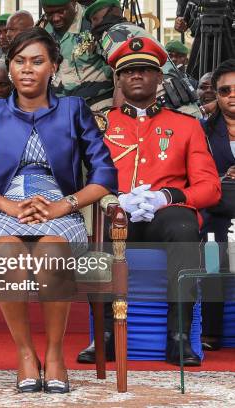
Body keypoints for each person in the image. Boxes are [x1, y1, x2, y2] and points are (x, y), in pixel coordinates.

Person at [0, 28, 117, 394]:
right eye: (19, 61)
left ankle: (55, 354)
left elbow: (105, 173)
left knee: (52, 249)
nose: (27, 69)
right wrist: (7, 204)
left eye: (37, 61)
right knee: (6, 250)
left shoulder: (73, 110)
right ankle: (25, 353)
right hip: (3, 208)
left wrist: (64, 204)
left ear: (53, 67)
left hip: (60, 209)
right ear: (9, 68)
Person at [77, 36, 221, 367]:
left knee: (184, 225)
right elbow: (78, 180)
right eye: (129, 71)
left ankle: (179, 337)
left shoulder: (186, 126)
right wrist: (113, 200)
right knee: (98, 226)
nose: (137, 76)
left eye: (145, 70)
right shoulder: (101, 125)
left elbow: (210, 188)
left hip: (165, 215)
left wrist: (167, 196)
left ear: (159, 78)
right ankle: (105, 336)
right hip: (117, 213)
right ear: (118, 79)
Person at [85, 0, 202, 118]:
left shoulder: (115, 33)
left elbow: (125, 77)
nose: (93, 26)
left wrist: (117, 120)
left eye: (95, 19)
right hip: (180, 102)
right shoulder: (132, 29)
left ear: (113, 12)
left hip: (166, 105)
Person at [199, 59, 235, 351]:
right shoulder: (203, 130)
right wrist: (222, 176)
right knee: (212, 254)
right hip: (218, 209)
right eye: (225, 90)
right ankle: (210, 331)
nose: (232, 95)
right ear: (217, 95)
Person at [42, 0, 114, 110]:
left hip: (98, 103)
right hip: (60, 106)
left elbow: (118, 67)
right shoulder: (43, 29)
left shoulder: (94, 21)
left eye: (61, 11)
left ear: (73, 2)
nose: (55, 18)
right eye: (49, 14)